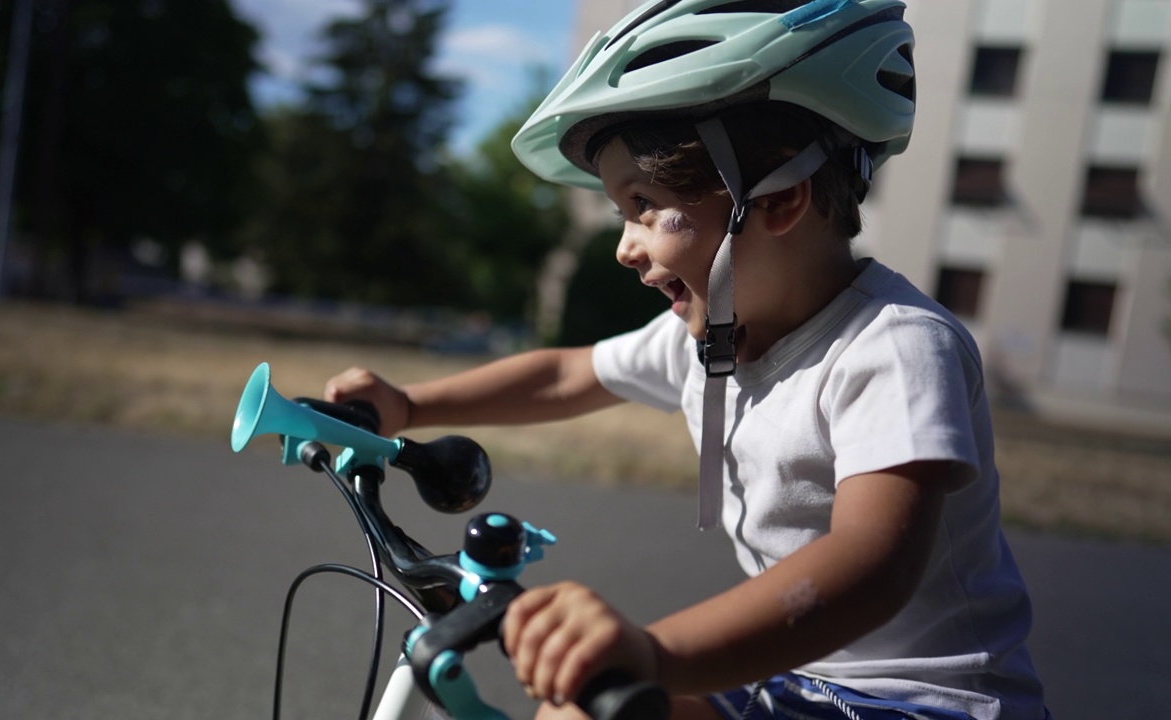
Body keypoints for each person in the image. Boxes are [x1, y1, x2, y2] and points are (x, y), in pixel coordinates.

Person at [324, 1, 1048, 718]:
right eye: (621, 212)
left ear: (781, 199)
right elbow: (564, 375)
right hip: (797, 680)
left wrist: (657, 655)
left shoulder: (895, 347)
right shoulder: (705, 341)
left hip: (930, 704)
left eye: (643, 205)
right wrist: (408, 405)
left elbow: (873, 566)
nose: (624, 245)